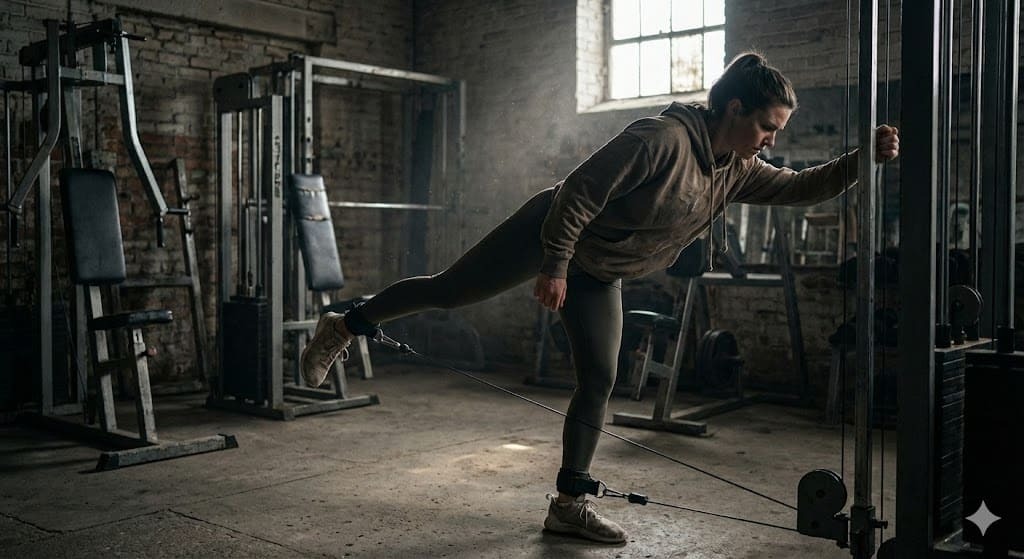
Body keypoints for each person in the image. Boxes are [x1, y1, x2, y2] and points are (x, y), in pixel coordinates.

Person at [300, 52, 900, 544]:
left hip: (601, 269)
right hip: (550, 233)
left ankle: (569, 501)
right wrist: (554, 264)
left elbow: (800, 188)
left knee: (600, 379)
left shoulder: (734, 167)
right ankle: (347, 322)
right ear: (735, 108)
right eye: (767, 126)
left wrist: (860, 160)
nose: (769, 142)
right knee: (450, 293)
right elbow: (580, 194)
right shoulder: (659, 140)